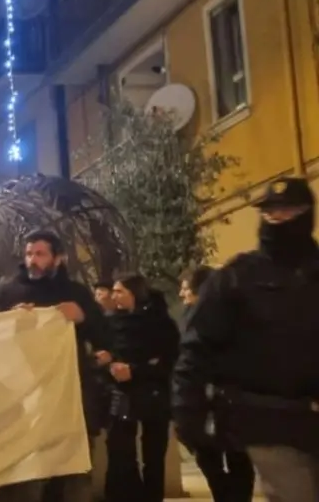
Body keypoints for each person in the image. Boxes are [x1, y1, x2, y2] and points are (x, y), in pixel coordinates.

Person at [174, 178, 319, 501]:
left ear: (307, 213)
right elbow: (197, 347)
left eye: (289, 210)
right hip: (270, 422)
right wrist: (187, 410)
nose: (279, 218)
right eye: (271, 211)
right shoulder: (237, 277)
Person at [0, 230, 105, 502]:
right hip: (26, 401)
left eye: (40, 254)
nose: (32, 260)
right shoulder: (9, 290)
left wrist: (82, 317)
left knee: (75, 474)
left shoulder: (75, 293)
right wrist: (8, 320)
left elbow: (104, 335)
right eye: (29, 254)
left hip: (71, 396)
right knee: (28, 477)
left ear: (58, 258)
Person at [176, 265, 254, 501]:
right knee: (209, 458)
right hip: (201, 401)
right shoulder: (187, 319)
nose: (181, 294)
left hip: (228, 399)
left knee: (237, 457)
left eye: (186, 289)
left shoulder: (230, 318)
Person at [102, 274, 180, 502]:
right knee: (121, 452)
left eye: (119, 291)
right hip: (121, 395)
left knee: (154, 456)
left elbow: (169, 360)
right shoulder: (111, 322)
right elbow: (106, 351)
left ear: (134, 293)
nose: (113, 295)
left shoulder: (160, 323)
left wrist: (136, 370)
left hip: (154, 397)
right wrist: (110, 364)